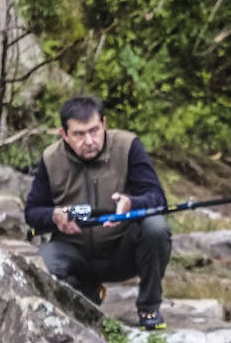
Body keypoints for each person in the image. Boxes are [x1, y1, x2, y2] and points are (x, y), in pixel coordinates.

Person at [24, 95, 172, 330]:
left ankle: (149, 307)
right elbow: (32, 213)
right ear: (63, 134)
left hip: (123, 251)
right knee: (44, 262)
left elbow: (158, 198)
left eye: (94, 130)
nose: (89, 140)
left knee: (156, 226)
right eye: (79, 134)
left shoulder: (128, 146)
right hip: (75, 252)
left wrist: (131, 204)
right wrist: (55, 216)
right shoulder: (50, 159)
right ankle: (85, 294)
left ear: (104, 124)